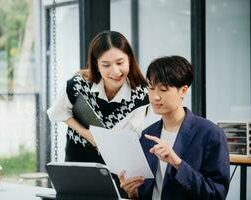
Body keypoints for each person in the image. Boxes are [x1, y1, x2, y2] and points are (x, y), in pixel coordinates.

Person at [47, 31, 149, 197]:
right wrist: (88, 134)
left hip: (116, 169)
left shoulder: (140, 94)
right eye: (106, 65)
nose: (115, 71)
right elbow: (58, 113)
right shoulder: (78, 84)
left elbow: (132, 134)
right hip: (77, 162)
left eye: (120, 62)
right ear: (96, 65)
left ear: (129, 59)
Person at [118, 56, 230, 200]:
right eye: (151, 88)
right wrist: (133, 193)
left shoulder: (210, 134)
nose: (155, 97)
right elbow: (147, 191)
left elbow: (216, 194)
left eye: (163, 89)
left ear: (183, 91)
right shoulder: (147, 134)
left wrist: (177, 163)